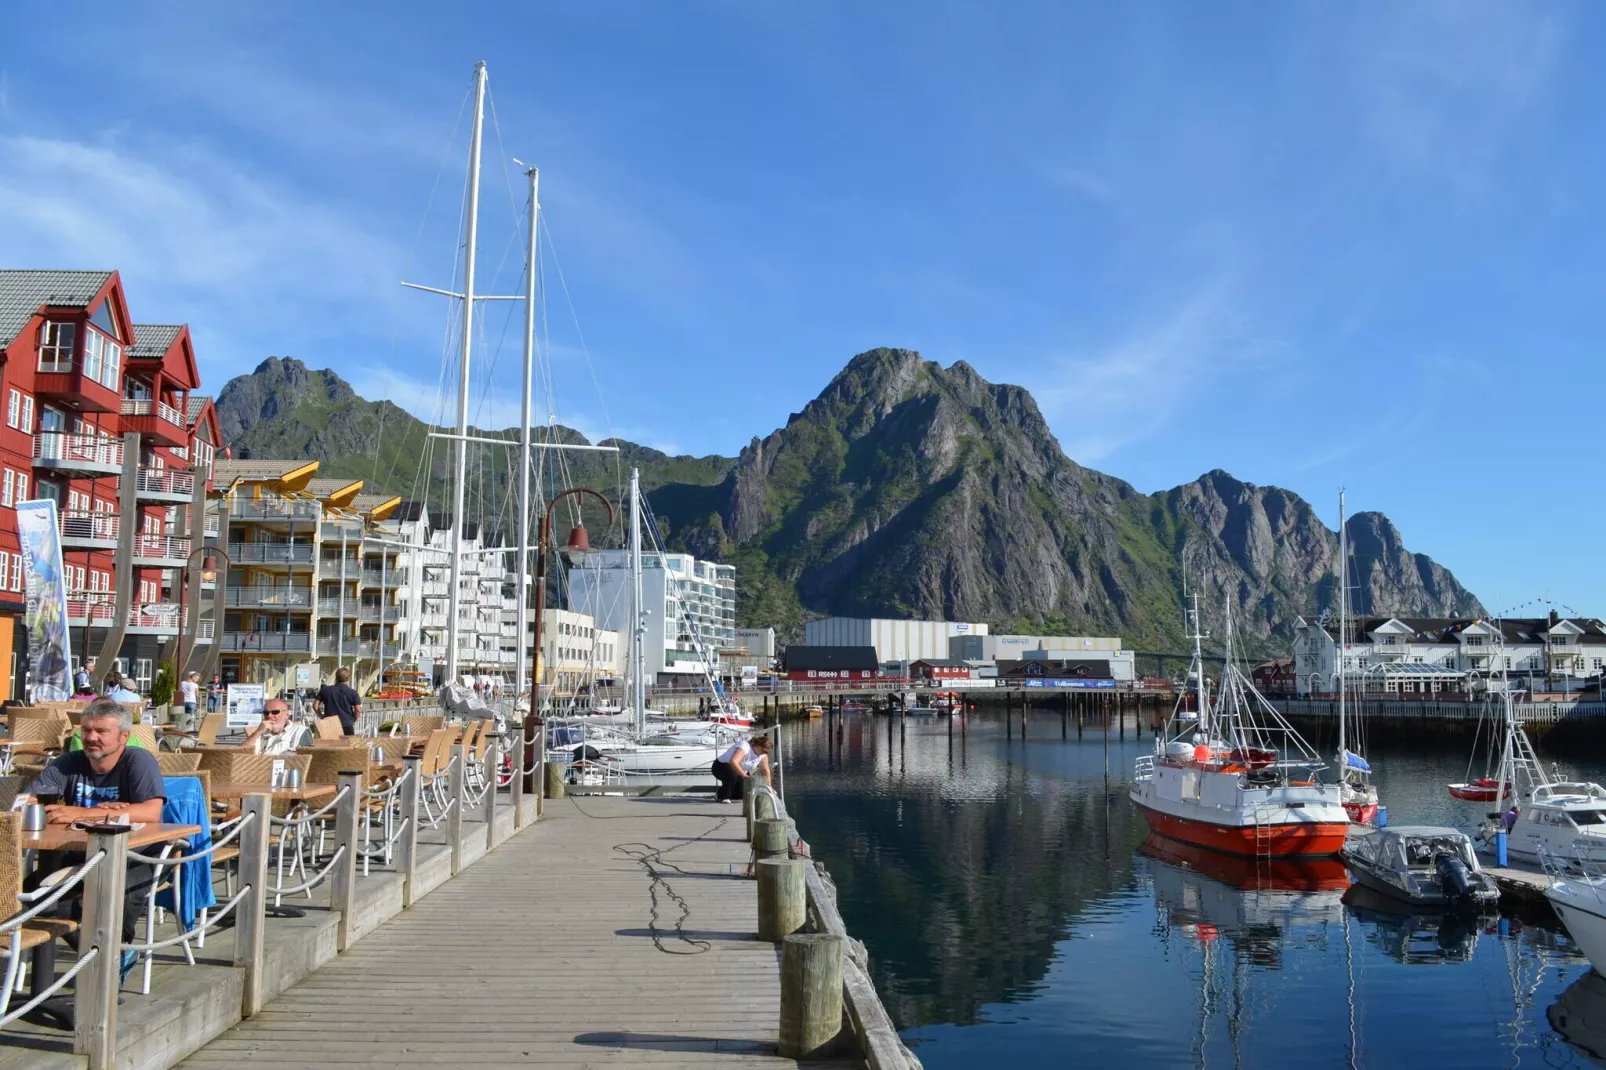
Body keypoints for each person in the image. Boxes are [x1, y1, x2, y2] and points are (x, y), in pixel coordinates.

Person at [26, 698, 167, 980]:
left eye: (101, 731)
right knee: (33, 897)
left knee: (112, 896)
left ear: (123, 736)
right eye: (86, 730)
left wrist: (86, 813)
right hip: (79, 851)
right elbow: (31, 802)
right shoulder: (69, 762)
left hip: (134, 852)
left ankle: (112, 953)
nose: (91, 737)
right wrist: (103, 813)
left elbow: (151, 812)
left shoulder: (137, 761)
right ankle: (110, 956)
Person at [710, 735, 771, 803]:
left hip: (739, 772)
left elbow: (765, 771)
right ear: (758, 746)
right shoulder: (745, 746)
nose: (765, 753)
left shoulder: (763, 755)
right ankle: (722, 796)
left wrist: (769, 787)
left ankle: (723, 792)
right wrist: (745, 776)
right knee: (732, 774)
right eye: (764, 751)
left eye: (767, 752)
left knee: (742, 794)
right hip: (720, 766)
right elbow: (733, 761)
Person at [241, 697, 310, 755]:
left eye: (275, 712)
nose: (269, 716)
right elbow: (239, 754)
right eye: (266, 713)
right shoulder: (260, 732)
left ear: (287, 715)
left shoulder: (299, 732)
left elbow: (305, 759)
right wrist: (258, 732)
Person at [315, 667, 362, 736]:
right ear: (348, 678)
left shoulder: (325, 690)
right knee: (348, 745)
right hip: (346, 723)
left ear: (336, 677)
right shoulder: (352, 692)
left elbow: (315, 706)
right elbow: (358, 710)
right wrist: (354, 719)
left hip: (329, 723)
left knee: (330, 745)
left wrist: (322, 716)